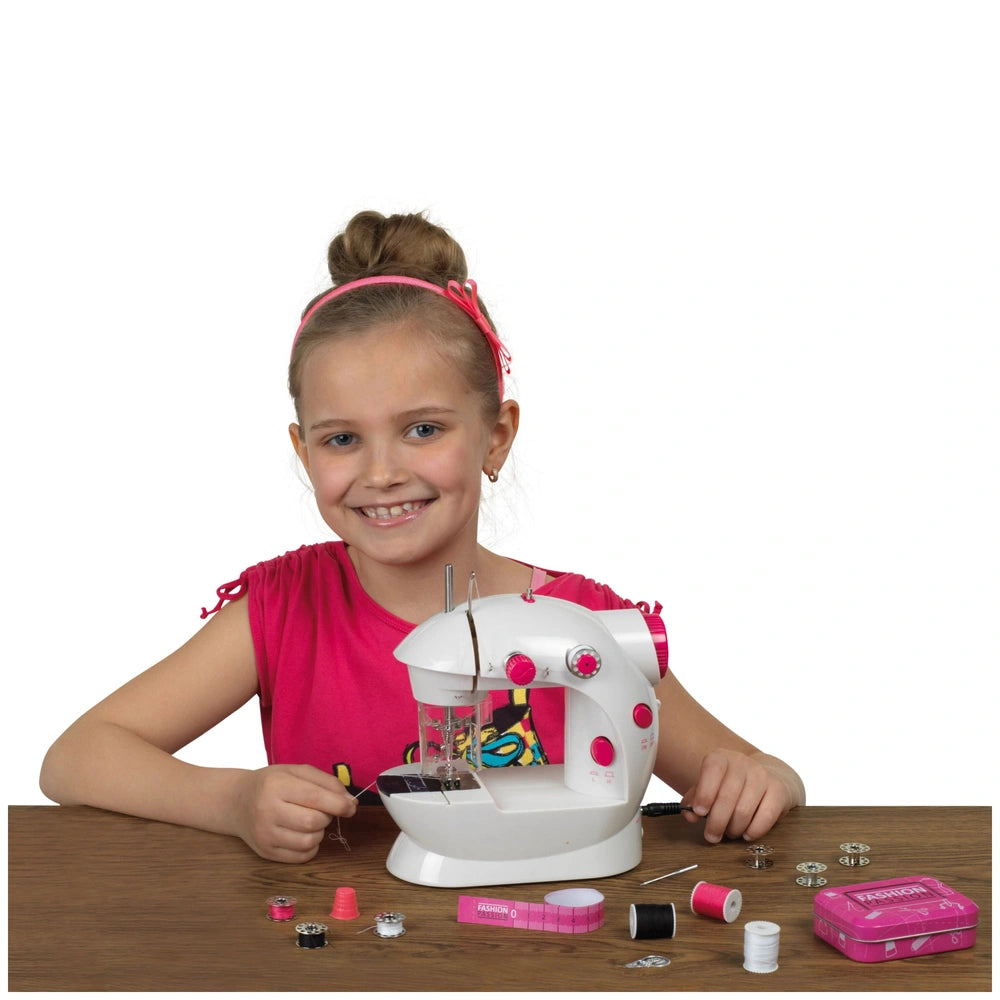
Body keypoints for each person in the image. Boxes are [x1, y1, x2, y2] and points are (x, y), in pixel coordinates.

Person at [40, 210, 805, 863]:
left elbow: (761, 774)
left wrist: (759, 781)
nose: (381, 473)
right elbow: (77, 757)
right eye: (342, 440)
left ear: (496, 436)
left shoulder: (587, 624)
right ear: (303, 452)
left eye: (423, 429)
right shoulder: (284, 611)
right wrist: (234, 801)